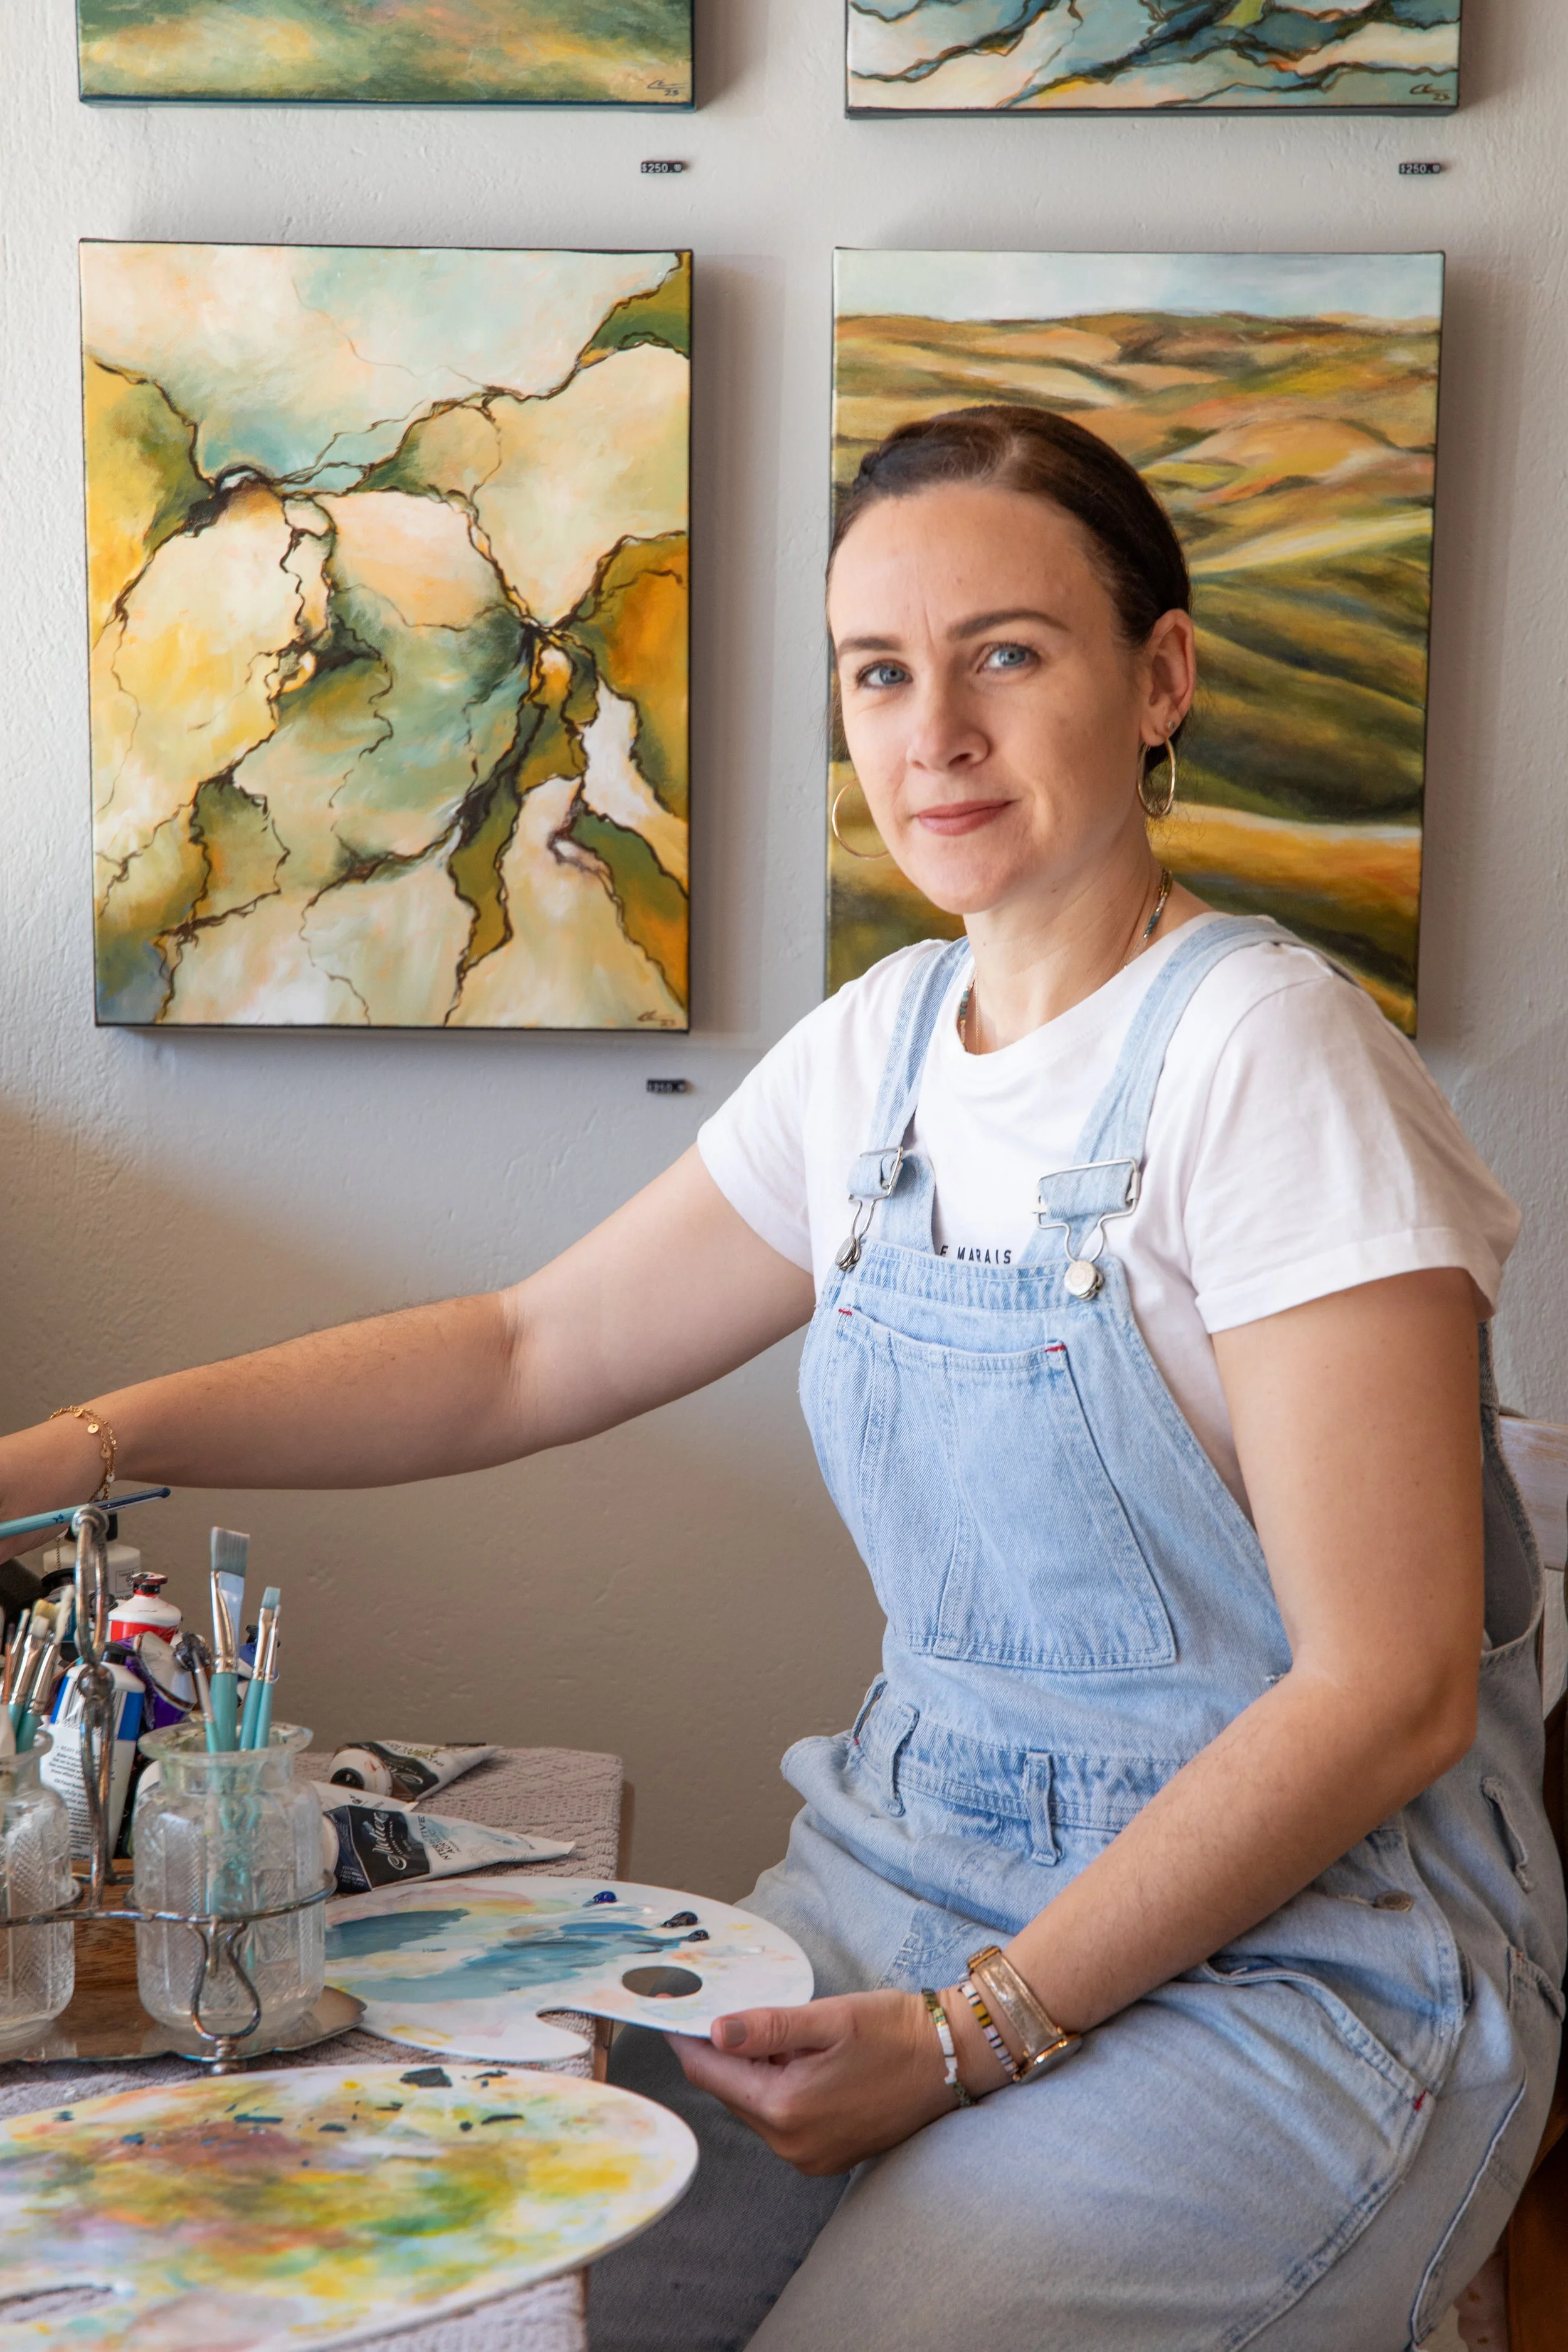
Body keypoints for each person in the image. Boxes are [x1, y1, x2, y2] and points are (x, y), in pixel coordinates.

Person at [2, 405, 1561, 2350]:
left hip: (1299, 1973)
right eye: (879, 673)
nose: (934, 733)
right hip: (891, 1883)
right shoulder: (881, 1050)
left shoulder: (1271, 1058)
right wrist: (79, 1445)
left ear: (1159, 677)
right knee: (491, 2292)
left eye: (1008, 652)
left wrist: (971, 2031)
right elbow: (519, 1353)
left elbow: (1387, 1688)